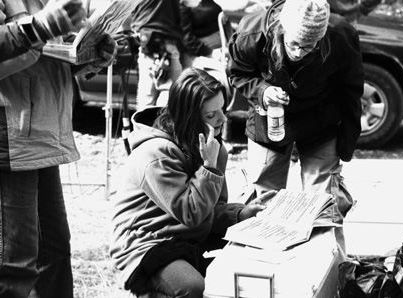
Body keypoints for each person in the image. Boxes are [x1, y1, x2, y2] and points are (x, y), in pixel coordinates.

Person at [110, 68, 274, 297]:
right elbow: (192, 213)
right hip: (147, 242)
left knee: (252, 262)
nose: (223, 119)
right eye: (211, 115)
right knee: (192, 286)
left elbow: (210, 209)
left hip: (186, 235)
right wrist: (209, 168)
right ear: (188, 117)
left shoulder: (212, 149)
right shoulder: (155, 154)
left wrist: (241, 214)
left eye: (222, 110)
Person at [0, 0, 116, 297]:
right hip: (10, 139)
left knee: (54, 252)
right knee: (15, 265)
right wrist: (40, 26)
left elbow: (44, 59)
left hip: (41, 134)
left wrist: (89, 56)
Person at [228, 0, 364, 223]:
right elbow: (237, 74)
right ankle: (263, 253)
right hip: (269, 118)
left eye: (309, 46)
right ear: (282, 29)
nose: (299, 52)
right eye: (294, 44)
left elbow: (351, 88)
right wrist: (262, 91)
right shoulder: (251, 33)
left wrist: (347, 142)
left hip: (321, 117)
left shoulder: (340, 35)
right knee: (263, 199)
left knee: (324, 202)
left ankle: (327, 256)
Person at [131, 0, 184, 108]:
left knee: (147, 97)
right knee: (168, 92)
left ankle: (145, 122)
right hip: (169, 43)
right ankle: (160, 121)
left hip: (147, 41)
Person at [180, 0, 223, 67]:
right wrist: (209, 52)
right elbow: (187, 38)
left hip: (222, 48)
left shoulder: (207, 2)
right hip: (204, 56)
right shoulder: (183, 7)